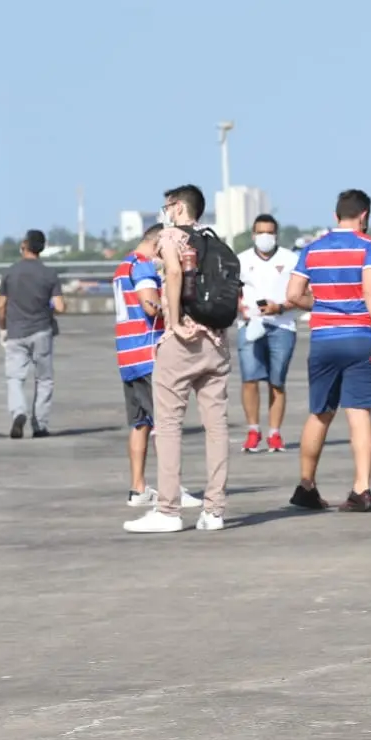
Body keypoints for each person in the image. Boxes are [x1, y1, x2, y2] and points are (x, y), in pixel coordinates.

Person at [123, 185, 230, 534]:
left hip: (182, 340)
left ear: (179, 207)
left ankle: (168, 510)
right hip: (217, 341)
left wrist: (172, 324)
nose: (165, 211)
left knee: (168, 425)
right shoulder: (214, 241)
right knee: (216, 427)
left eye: (168, 205)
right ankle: (214, 510)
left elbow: (172, 273)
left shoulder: (171, 237)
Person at [285, 189, 371, 513]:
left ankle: (306, 486)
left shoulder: (311, 249)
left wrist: (320, 305)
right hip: (359, 336)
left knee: (320, 412)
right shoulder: (370, 247)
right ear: (364, 215)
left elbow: (292, 294)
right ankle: (362, 489)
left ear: (335, 216)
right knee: (358, 412)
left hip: (323, 338)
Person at [112, 225, 202, 510]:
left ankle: (138, 487)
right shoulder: (142, 267)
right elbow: (151, 306)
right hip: (148, 353)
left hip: (127, 355)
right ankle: (171, 488)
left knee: (140, 422)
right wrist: (176, 309)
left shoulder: (123, 265)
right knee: (165, 424)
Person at [237, 214, 303, 452]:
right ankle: (253, 430)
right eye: (260, 232)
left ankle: (274, 433)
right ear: (253, 234)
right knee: (249, 378)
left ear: (276, 234)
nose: (265, 237)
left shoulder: (291, 259)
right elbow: (233, 290)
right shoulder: (241, 260)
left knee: (277, 381)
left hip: (282, 325)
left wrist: (281, 307)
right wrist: (240, 308)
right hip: (250, 325)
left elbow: (304, 294)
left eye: (269, 232)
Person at [0, 229, 65, 438]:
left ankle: (19, 412)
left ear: (24, 245)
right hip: (42, 330)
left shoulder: (10, 272)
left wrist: (3, 328)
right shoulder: (49, 274)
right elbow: (60, 307)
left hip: (16, 332)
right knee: (44, 379)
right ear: (42, 248)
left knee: (15, 378)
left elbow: (1, 305)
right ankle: (39, 425)